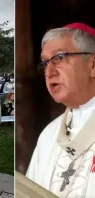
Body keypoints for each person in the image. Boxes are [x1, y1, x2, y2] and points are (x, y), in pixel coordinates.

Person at [26, 23, 95, 197]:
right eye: (44, 63)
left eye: (60, 57)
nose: (49, 72)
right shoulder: (49, 134)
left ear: (93, 65)